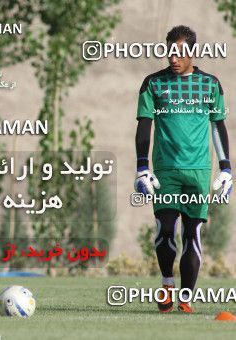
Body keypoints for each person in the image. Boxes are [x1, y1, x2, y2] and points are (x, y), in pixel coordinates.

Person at [134, 25, 232, 313]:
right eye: (169, 52)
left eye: (179, 53)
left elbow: (217, 125)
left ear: (192, 52)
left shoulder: (211, 85)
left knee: (192, 234)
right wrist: (142, 167)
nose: (173, 59)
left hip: (199, 172)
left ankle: (186, 298)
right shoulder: (152, 84)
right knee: (165, 229)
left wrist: (226, 168)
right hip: (165, 171)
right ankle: (167, 285)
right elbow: (144, 127)